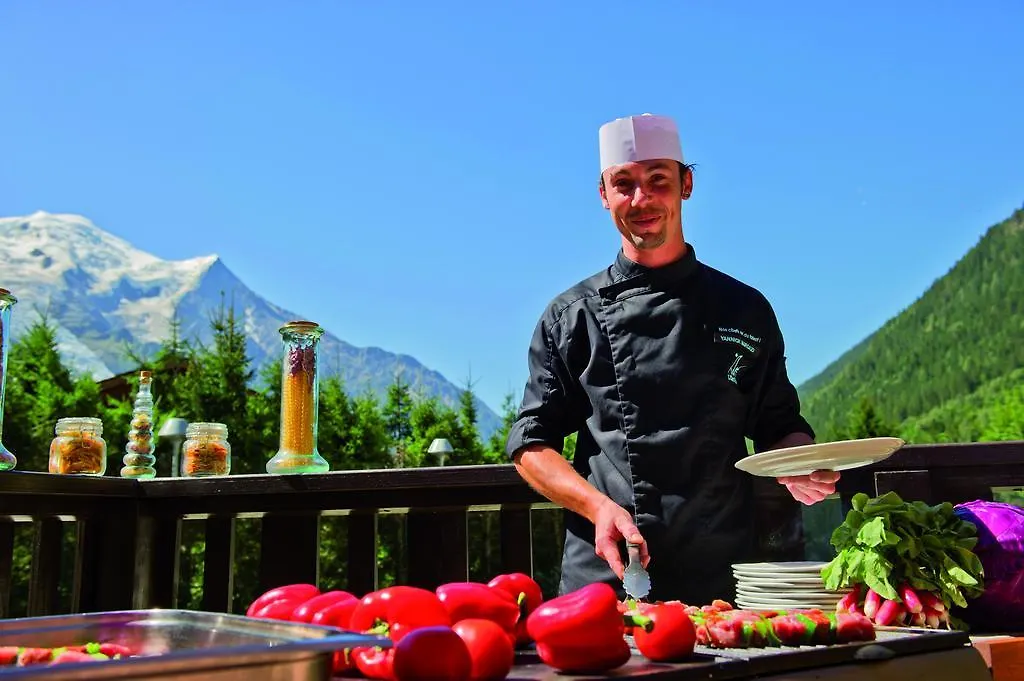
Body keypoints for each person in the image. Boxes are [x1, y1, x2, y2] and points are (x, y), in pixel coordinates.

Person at [505, 113, 839, 605]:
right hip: (610, 572)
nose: (641, 199)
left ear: (686, 185)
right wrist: (596, 507)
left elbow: (779, 425)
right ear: (604, 195)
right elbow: (531, 444)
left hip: (723, 573)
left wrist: (800, 464)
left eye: (658, 180)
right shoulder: (572, 317)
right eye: (624, 183)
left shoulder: (743, 308)